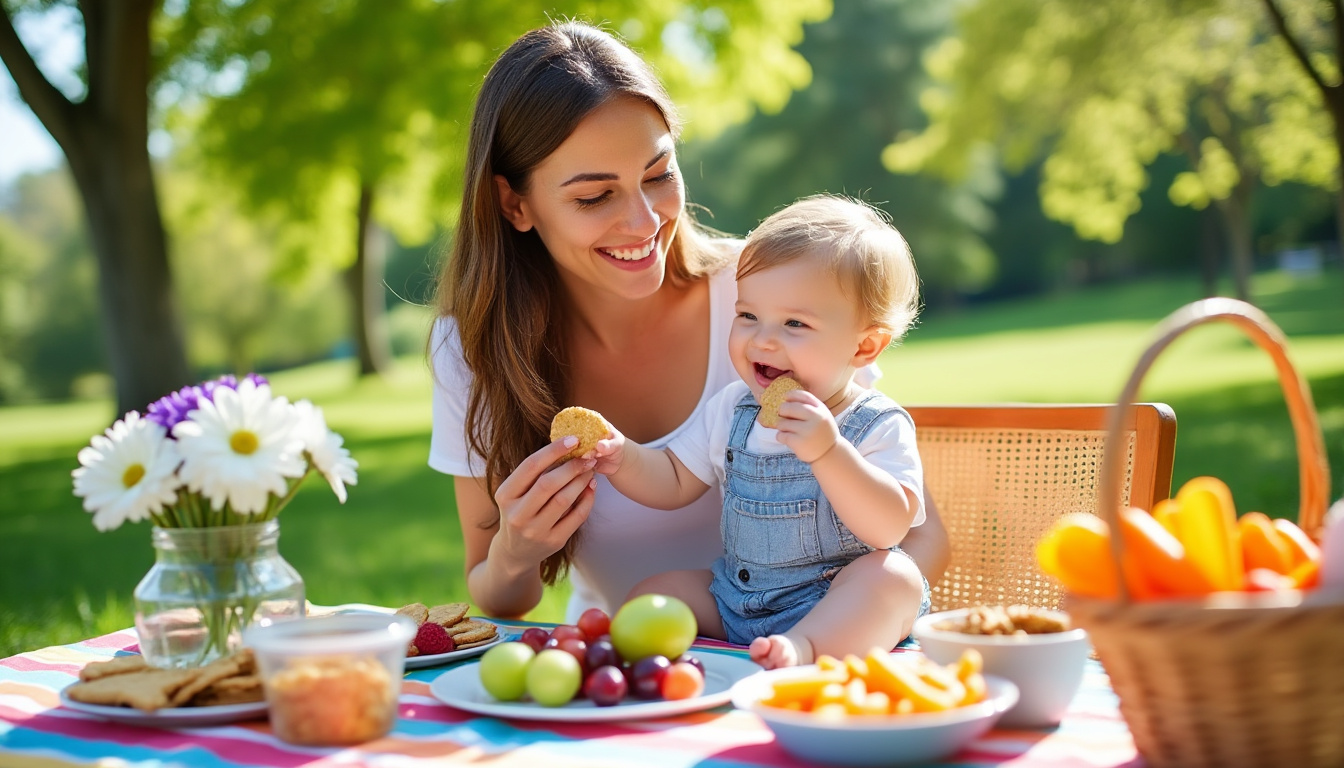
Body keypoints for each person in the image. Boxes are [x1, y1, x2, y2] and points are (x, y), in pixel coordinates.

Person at [427, 20, 949, 629]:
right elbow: (498, 597)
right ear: (515, 204)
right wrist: (515, 552)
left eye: (657, 175)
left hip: (807, 652)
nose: (645, 220)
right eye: (595, 197)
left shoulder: (770, 300)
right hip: (646, 655)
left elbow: (923, 537)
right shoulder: (472, 348)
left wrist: (812, 641)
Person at [592, 195, 928, 668]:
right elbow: (672, 477)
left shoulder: (876, 423)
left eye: (795, 323)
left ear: (865, 346)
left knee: (894, 578)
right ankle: (661, 674)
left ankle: (805, 649)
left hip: (834, 604)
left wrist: (829, 451)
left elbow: (889, 525)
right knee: (654, 592)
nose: (762, 339)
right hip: (737, 598)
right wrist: (623, 456)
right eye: (748, 315)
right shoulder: (733, 409)